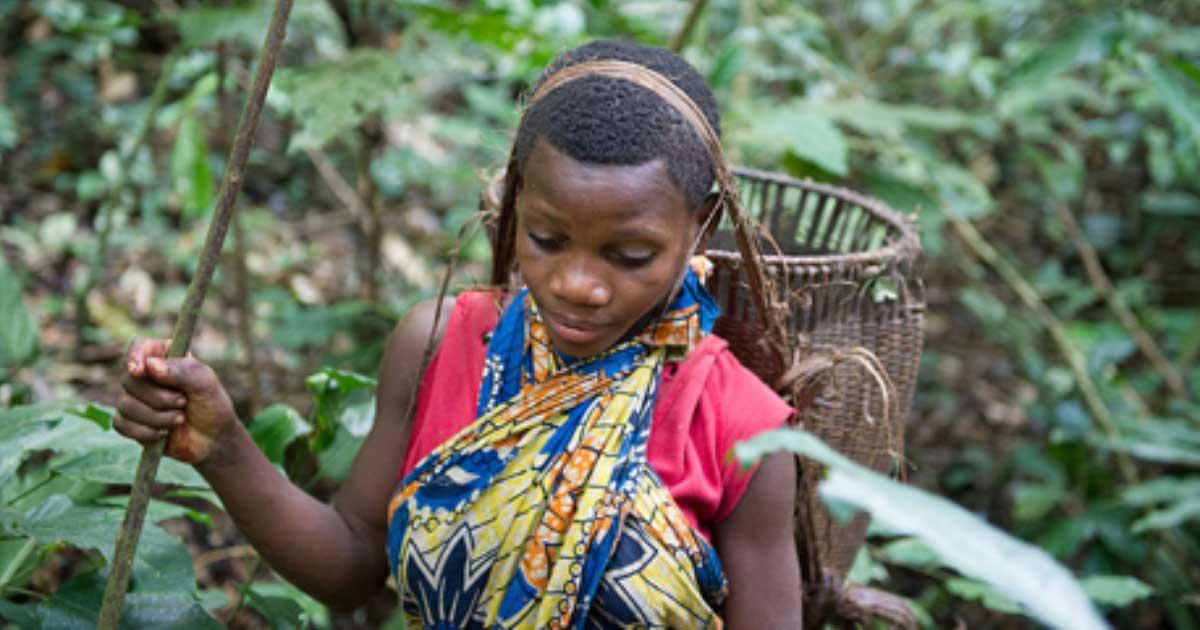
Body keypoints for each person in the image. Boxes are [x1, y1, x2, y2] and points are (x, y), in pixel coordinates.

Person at [116, 40, 803, 628]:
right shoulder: (439, 346)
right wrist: (222, 445)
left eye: (629, 257)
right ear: (514, 200)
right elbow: (353, 560)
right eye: (547, 238)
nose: (577, 284)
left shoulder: (745, 432)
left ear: (701, 229)